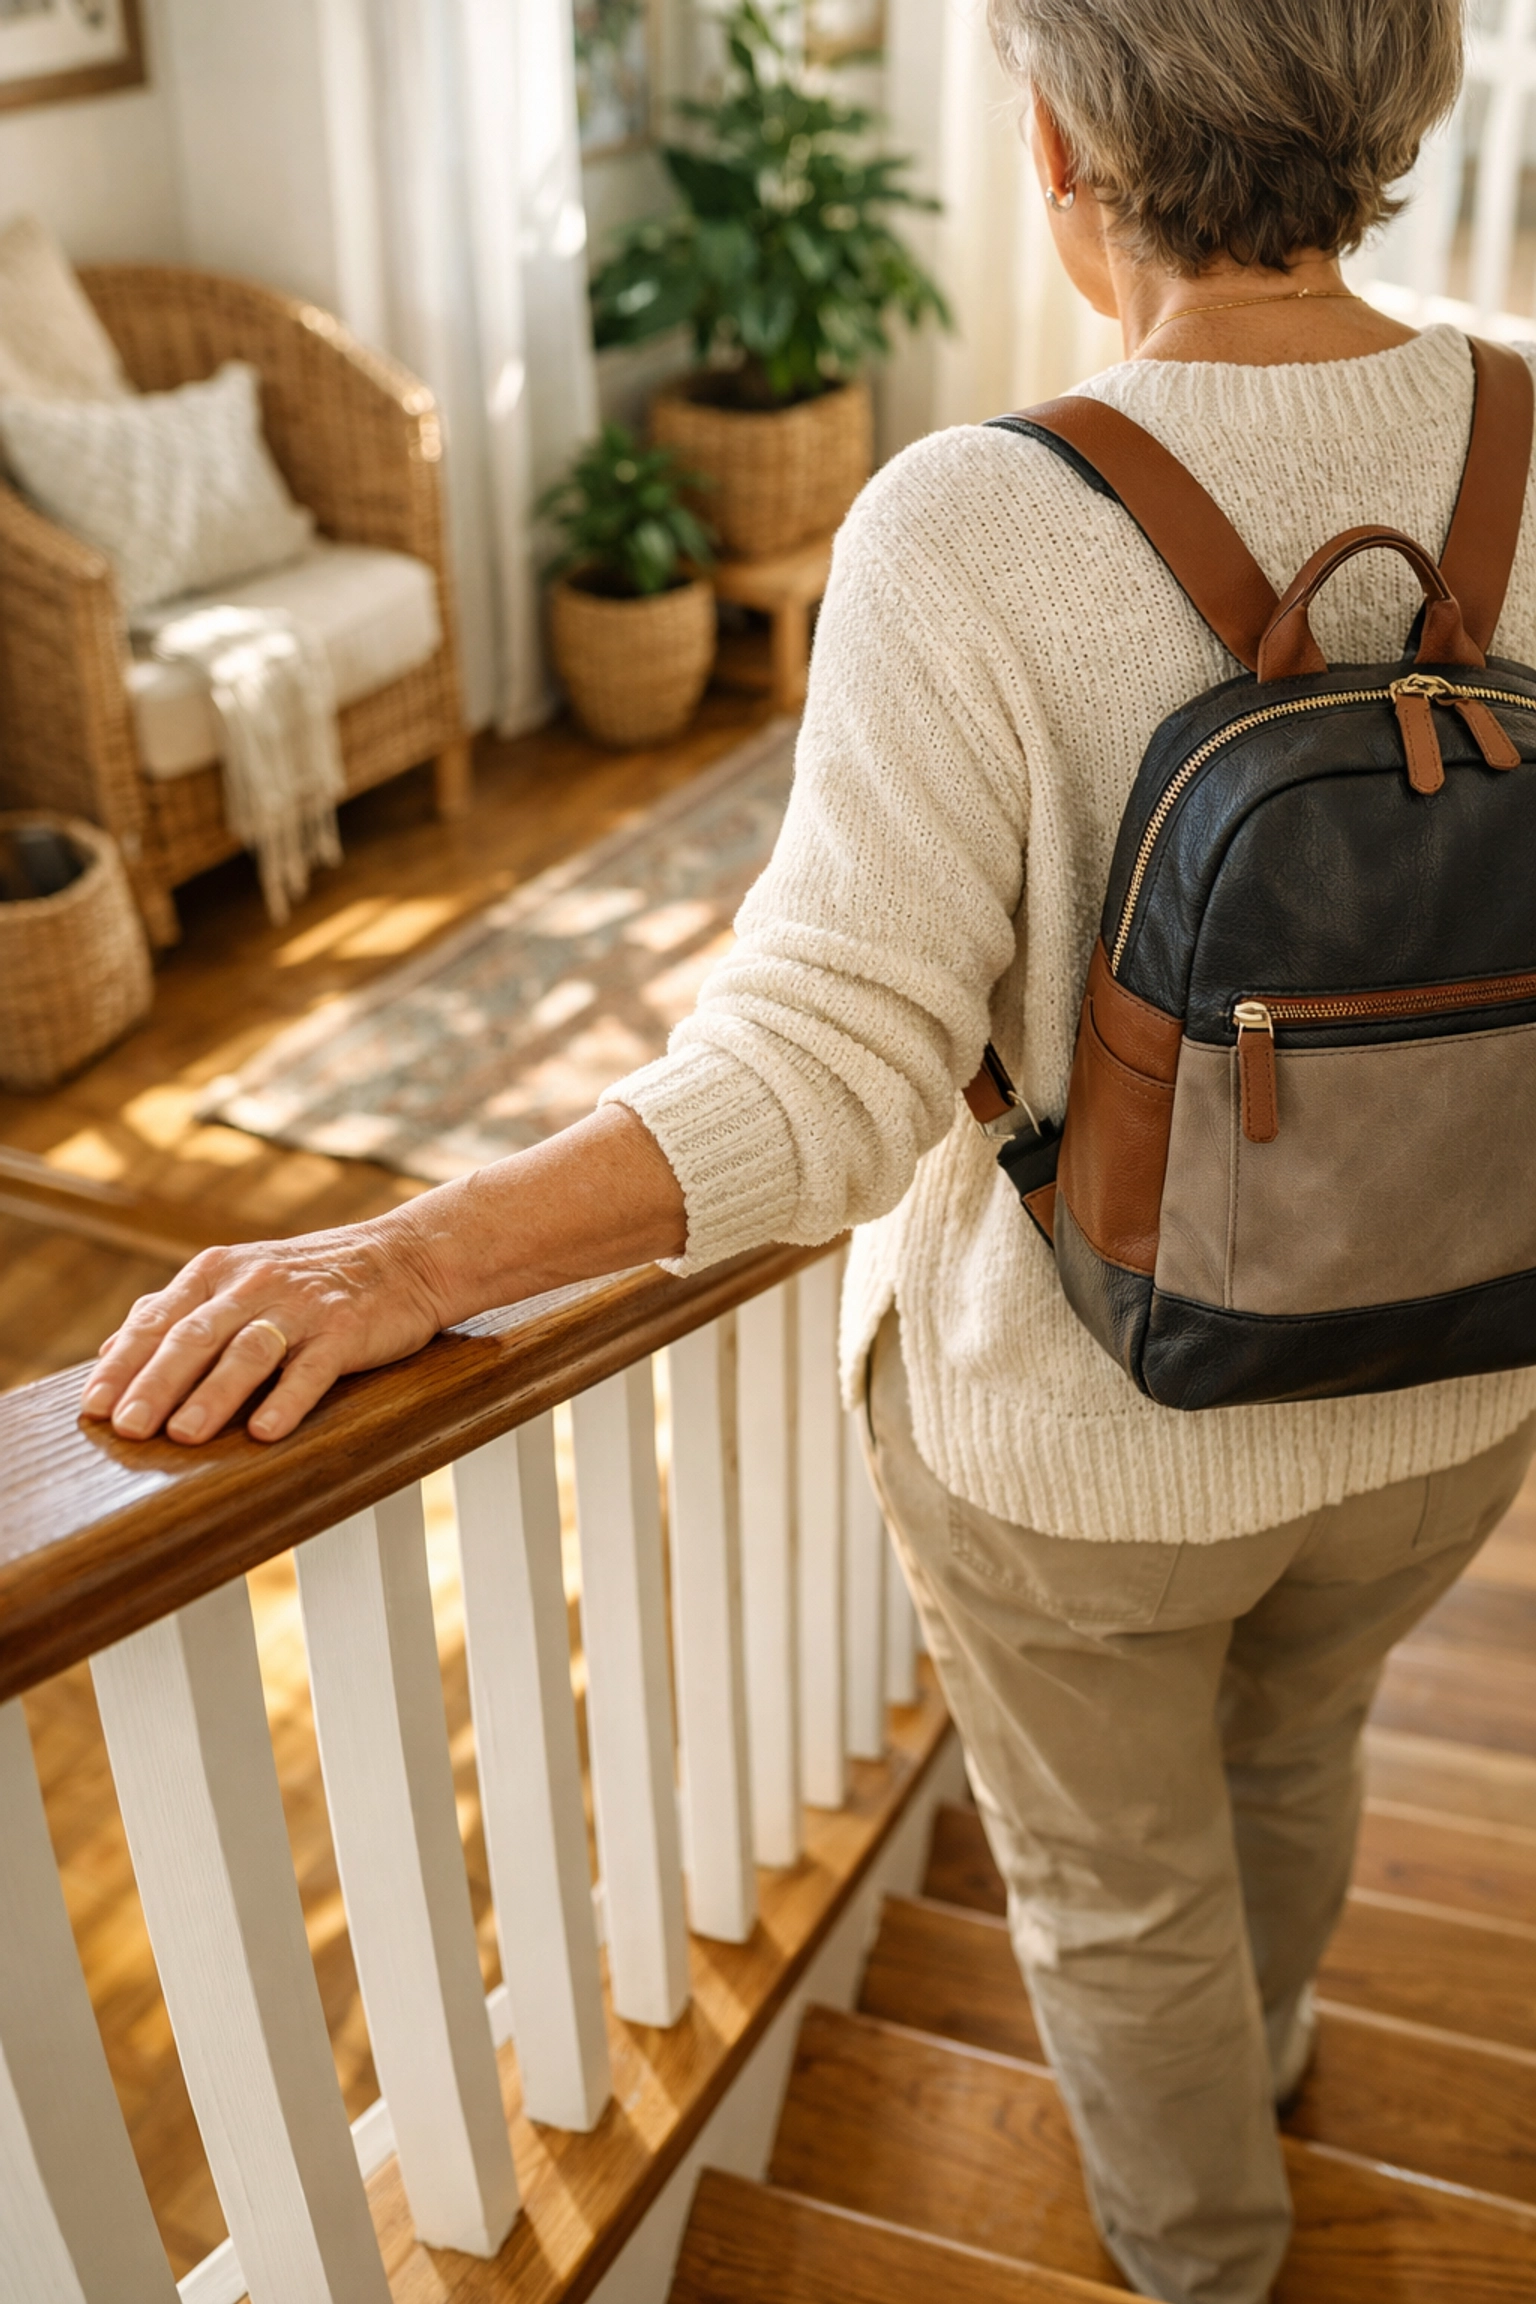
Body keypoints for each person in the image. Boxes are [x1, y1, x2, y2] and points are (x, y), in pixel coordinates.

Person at [82, 4, 1536, 2297]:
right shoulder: (1535, 425)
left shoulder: (972, 525)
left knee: (1116, 1892)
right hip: (1464, 1374)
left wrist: (397, 1261)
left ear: (1061, 143)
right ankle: (1266, 2053)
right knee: (1298, 1741)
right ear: (1407, 95)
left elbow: (831, 1069)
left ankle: (1208, 2262)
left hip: (1088, 1444)